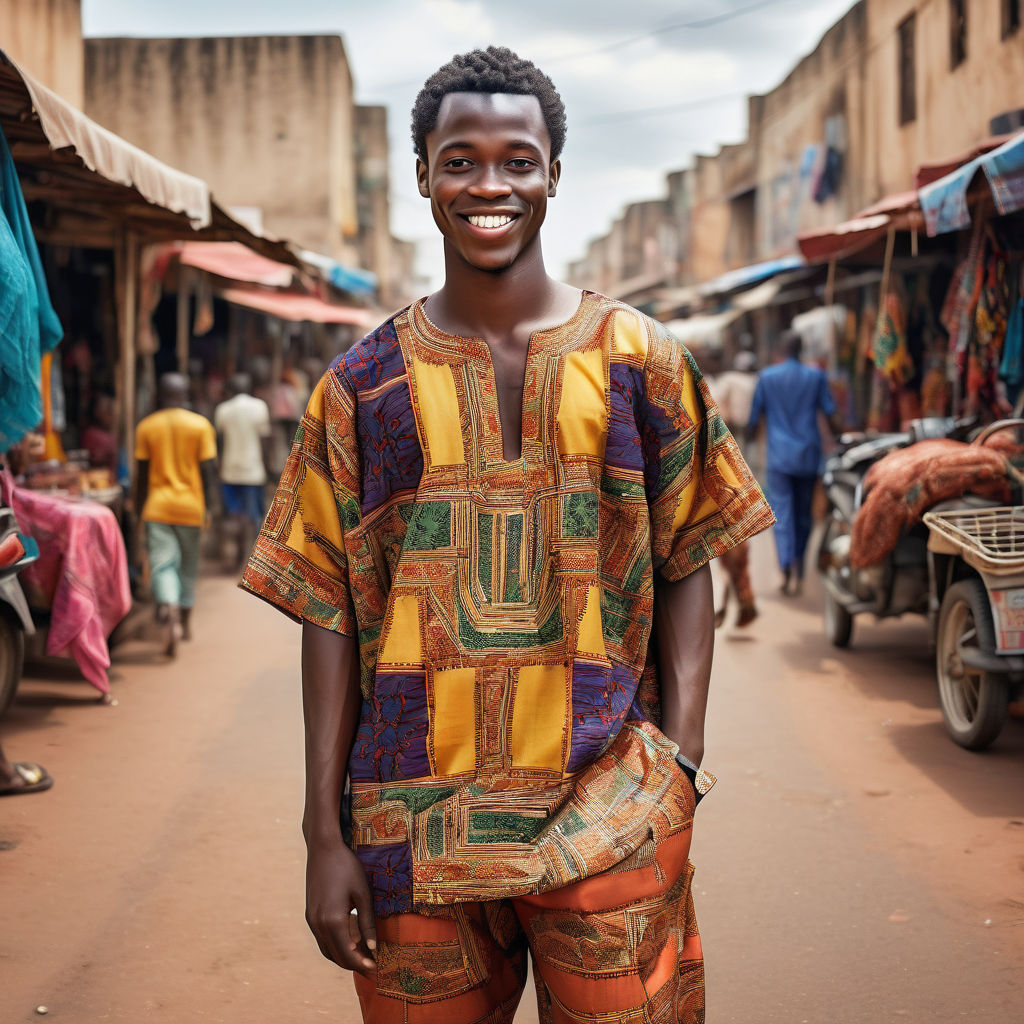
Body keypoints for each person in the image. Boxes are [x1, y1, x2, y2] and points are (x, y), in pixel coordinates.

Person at [241, 47, 773, 1023]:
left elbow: (690, 547)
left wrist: (682, 761)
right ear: (424, 177)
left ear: (552, 176)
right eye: (461, 159)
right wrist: (322, 830)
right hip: (409, 822)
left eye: (517, 160)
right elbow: (326, 605)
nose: (490, 184)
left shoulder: (642, 359)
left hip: (607, 805)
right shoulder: (359, 387)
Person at [747, 328, 836, 597]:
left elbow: (753, 419)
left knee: (783, 513)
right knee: (804, 515)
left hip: (780, 458)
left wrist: (747, 442)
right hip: (809, 454)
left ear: (781, 350)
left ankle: (786, 564)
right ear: (801, 350)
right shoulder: (816, 376)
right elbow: (830, 412)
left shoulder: (767, 377)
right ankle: (798, 567)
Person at [134, 373, 217, 656]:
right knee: (188, 567)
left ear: (160, 395)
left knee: (162, 564)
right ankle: (185, 622)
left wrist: (137, 509)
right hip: (191, 508)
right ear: (185, 395)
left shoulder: (146, 426)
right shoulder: (201, 425)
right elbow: (208, 472)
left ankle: (166, 603)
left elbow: (142, 476)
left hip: (156, 507)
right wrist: (210, 507)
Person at [710, 350, 760, 627]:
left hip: (724, 459)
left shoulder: (724, 383)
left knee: (727, 539)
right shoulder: (748, 381)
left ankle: (729, 600)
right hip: (735, 452)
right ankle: (737, 599)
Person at [213, 373, 271, 571]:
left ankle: (236, 557)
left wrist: (218, 467)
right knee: (252, 515)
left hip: (229, 471)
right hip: (253, 471)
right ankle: (247, 557)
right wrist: (268, 467)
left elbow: (219, 442)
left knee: (234, 514)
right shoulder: (260, 407)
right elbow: (264, 442)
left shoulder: (222, 409)